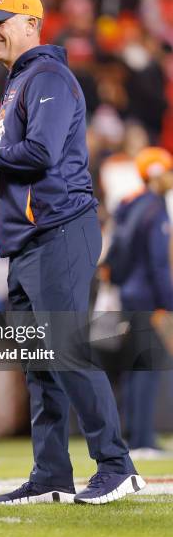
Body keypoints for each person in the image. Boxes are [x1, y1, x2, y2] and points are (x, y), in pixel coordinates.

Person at [0, 0, 145, 504]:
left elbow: (38, 153)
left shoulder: (47, 75)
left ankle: (117, 464)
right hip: (28, 243)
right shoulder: (19, 81)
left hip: (59, 230)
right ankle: (51, 475)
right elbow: (11, 162)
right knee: (41, 363)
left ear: (32, 23)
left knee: (64, 350)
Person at [105, 147, 173, 459]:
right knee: (148, 366)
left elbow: (116, 255)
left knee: (136, 367)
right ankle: (143, 438)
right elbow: (158, 263)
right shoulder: (153, 208)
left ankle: (134, 436)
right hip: (147, 297)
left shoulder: (130, 205)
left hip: (129, 295)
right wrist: (167, 302)